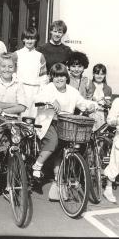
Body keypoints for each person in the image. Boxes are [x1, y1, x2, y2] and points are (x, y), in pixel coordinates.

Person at [32, 63, 96, 201]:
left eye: (61, 76)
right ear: (52, 77)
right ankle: (37, 165)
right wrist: (50, 100)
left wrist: (91, 105)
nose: (59, 79)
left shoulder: (72, 91)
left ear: (66, 77)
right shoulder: (48, 88)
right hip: (48, 123)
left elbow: (81, 102)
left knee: (62, 151)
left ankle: (57, 183)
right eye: (55, 76)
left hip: (65, 125)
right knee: (54, 141)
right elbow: (37, 98)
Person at [0, 52, 27, 204]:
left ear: (14, 68)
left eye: (10, 66)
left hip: (14, 123)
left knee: (14, 155)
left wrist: (3, 108)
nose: (7, 69)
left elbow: (22, 106)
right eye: (3, 66)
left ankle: (10, 187)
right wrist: (12, 106)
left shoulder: (19, 83)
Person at [13, 27, 48, 117]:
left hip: (35, 91)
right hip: (21, 89)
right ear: (23, 39)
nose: (29, 41)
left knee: (34, 116)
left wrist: (42, 93)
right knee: (21, 115)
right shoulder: (17, 54)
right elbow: (13, 73)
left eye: (32, 38)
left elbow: (43, 77)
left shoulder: (40, 56)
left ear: (36, 40)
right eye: (27, 38)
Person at [103, 97, 119, 203]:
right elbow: (110, 120)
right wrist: (117, 121)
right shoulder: (118, 101)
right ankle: (108, 189)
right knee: (116, 163)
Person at [89, 63, 112, 131]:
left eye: (102, 74)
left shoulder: (108, 88)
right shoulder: (89, 85)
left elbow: (108, 104)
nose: (99, 76)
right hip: (90, 114)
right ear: (93, 74)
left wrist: (107, 103)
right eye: (97, 73)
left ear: (105, 75)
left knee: (101, 136)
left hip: (102, 115)